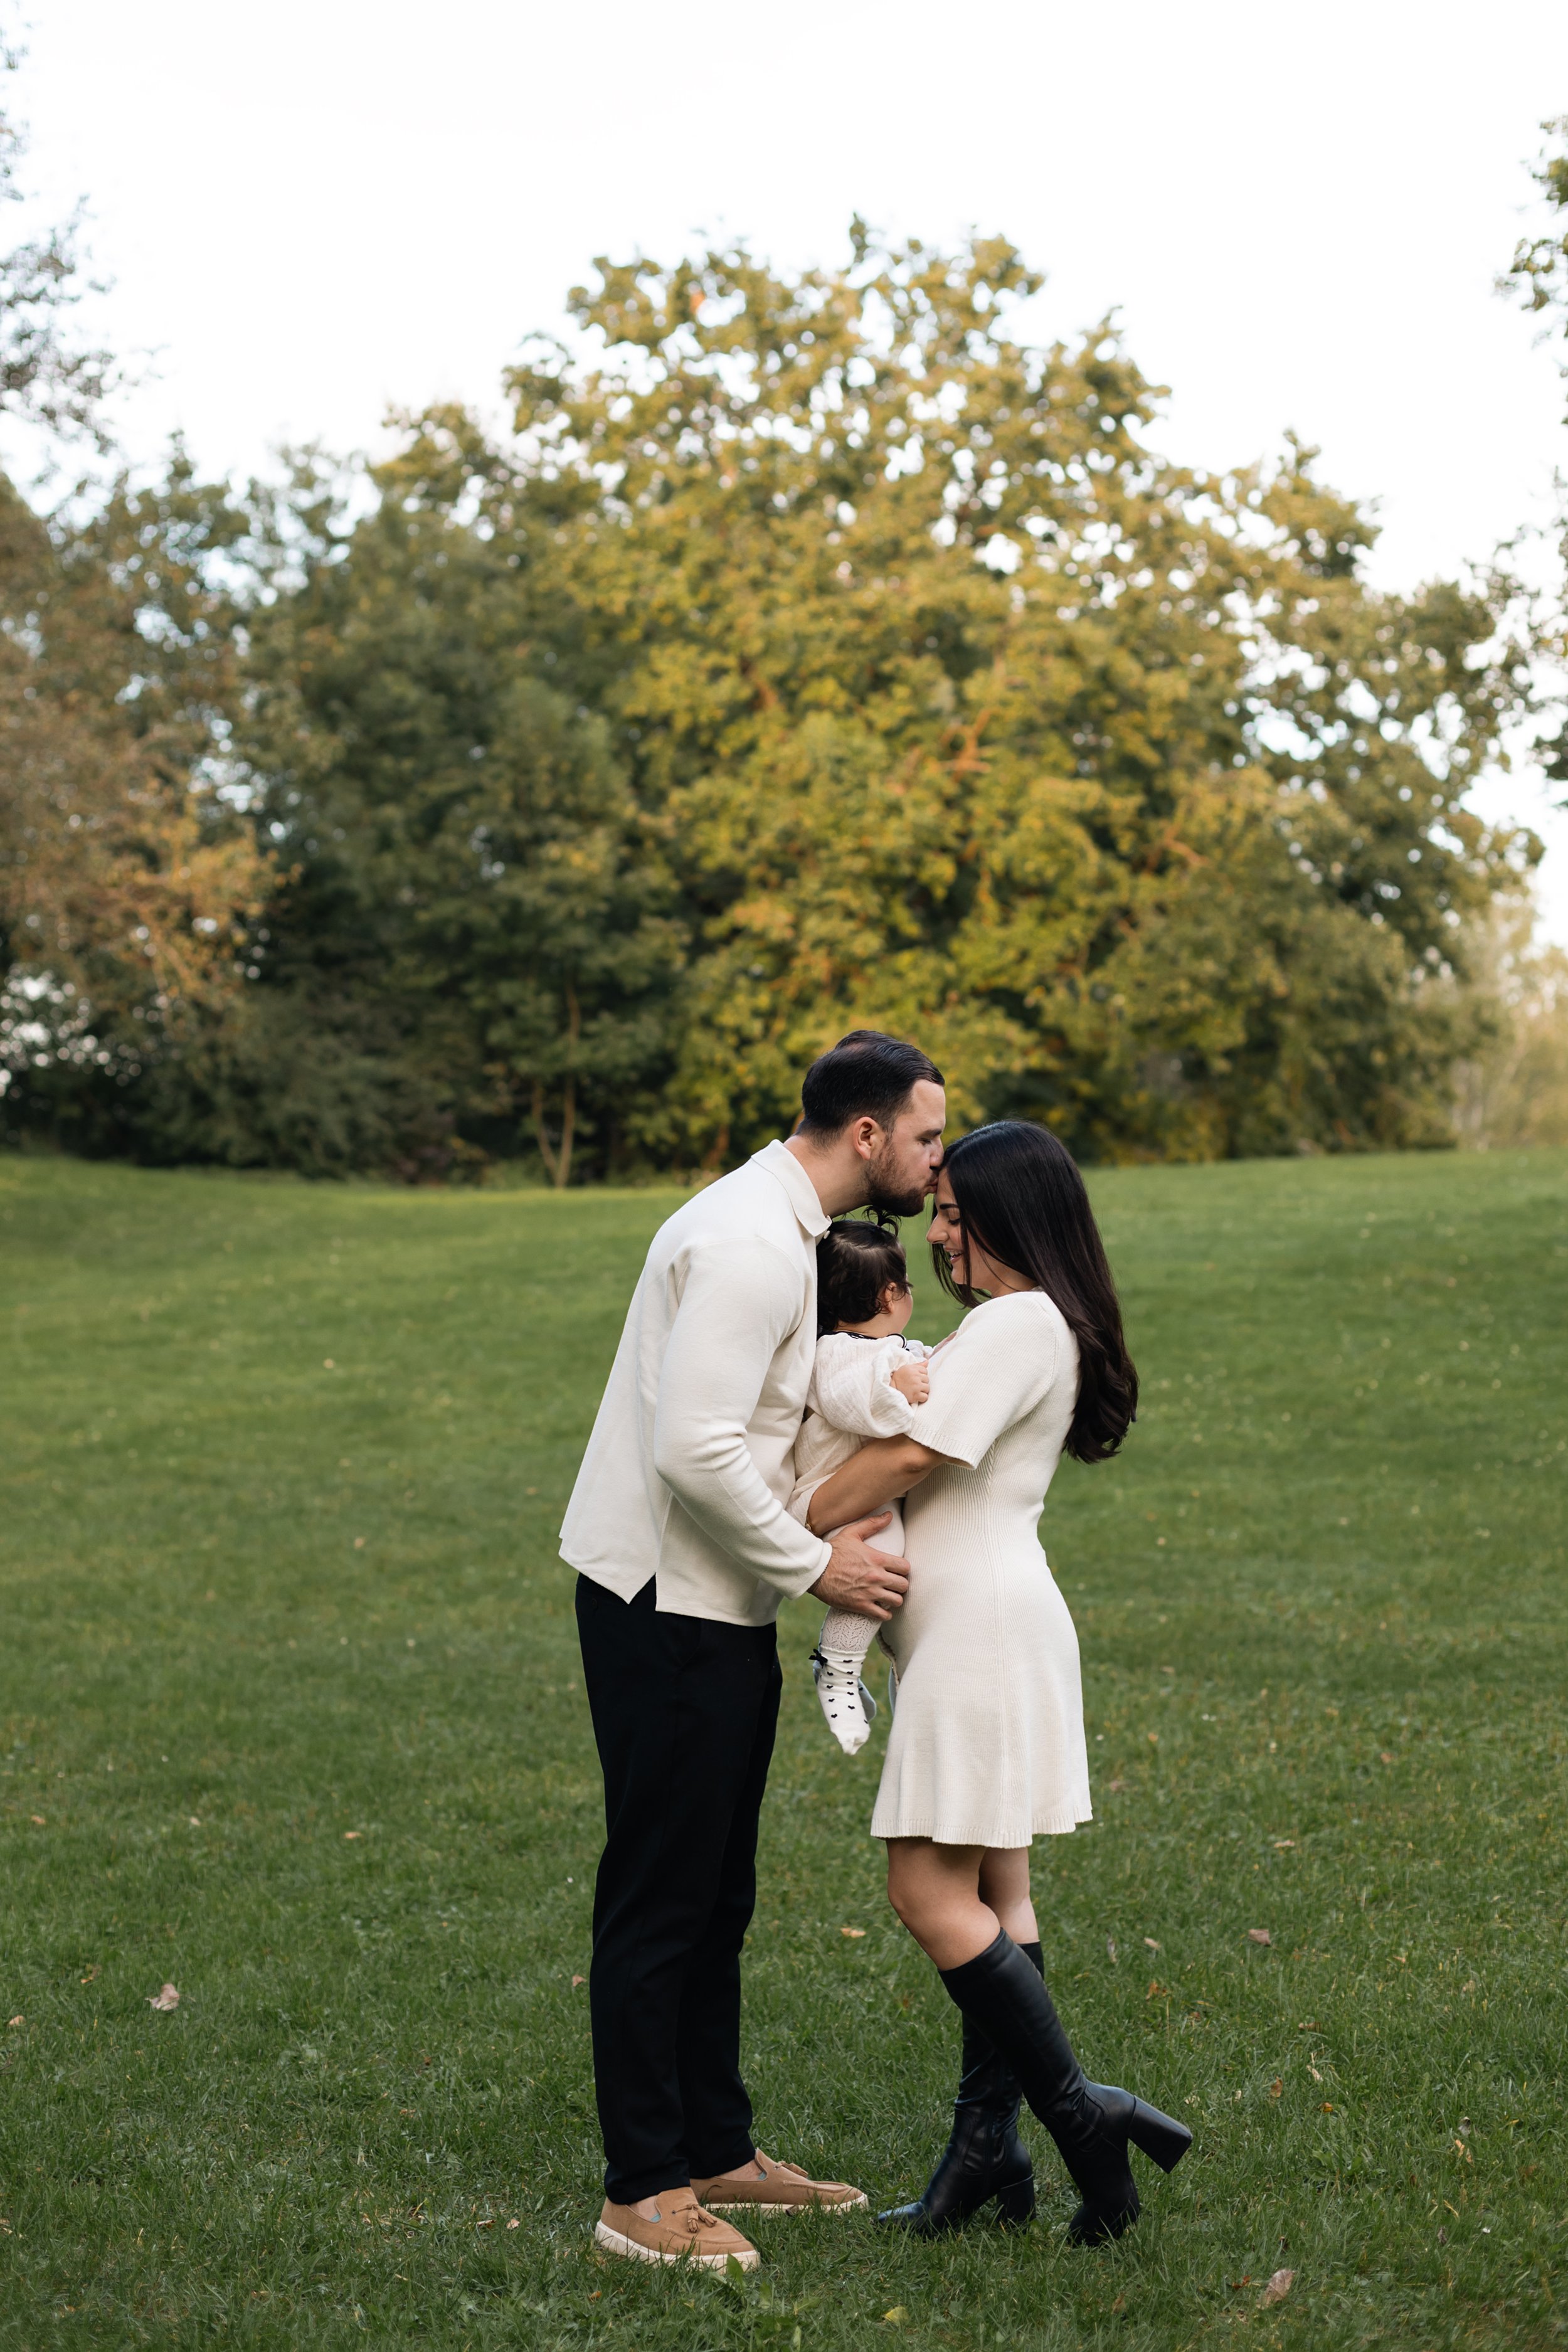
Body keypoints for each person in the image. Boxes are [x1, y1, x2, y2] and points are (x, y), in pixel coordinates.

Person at [559, 1030, 946, 2272]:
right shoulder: (742, 1245)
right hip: (662, 1608)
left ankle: (714, 2145)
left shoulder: (782, 1234)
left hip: (713, 1606)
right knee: (661, 1898)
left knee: (717, 1891)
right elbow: (693, 1448)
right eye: (928, 1138)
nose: (937, 1166)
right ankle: (641, 2194)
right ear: (868, 1136)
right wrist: (816, 1565)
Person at [803, 1120, 1192, 2245]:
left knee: (927, 1898)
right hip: (991, 1624)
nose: (943, 1232)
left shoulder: (1018, 1323)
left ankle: (1085, 2125)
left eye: (964, 1214)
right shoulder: (1025, 1323)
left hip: (978, 1633)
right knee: (999, 1899)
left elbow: (915, 1455)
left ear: (1018, 1218)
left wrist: (787, 1520)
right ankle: (986, 2152)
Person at [789, 1218, 933, 1755]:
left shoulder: (887, 1348)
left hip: (863, 1491)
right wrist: (895, 1388)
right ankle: (838, 1670)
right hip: (830, 1493)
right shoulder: (836, 1354)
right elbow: (853, 1400)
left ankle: (893, 1673)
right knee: (884, 1559)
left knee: (908, 1573)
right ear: (890, 1293)